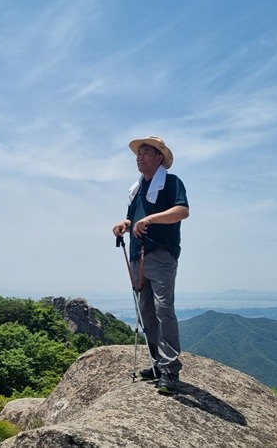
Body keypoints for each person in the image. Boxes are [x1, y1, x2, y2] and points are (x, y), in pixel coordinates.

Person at [112, 136, 189, 394]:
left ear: (159, 158)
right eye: (138, 154)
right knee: (146, 311)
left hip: (161, 253)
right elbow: (132, 216)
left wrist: (151, 219)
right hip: (138, 256)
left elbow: (182, 211)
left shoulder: (170, 182)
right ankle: (156, 363)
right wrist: (123, 224)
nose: (139, 157)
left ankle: (169, 369)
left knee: (163, 308)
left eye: (146, 153)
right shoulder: (137, 189)